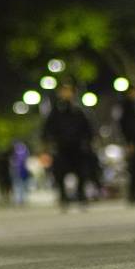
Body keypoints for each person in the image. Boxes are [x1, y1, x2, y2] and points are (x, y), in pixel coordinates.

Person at [42, 81, 94, 210]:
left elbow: (88, 128)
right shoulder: (55, 111)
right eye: (64, 91)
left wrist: (87, 141)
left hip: (78, 147)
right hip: (61, 147)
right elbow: (47, 129)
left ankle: (81, 196)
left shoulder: (79, 110)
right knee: (60, 173)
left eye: (69, 91)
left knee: (82, 172)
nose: (66, 94)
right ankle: (63, 197)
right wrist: (49, 143)